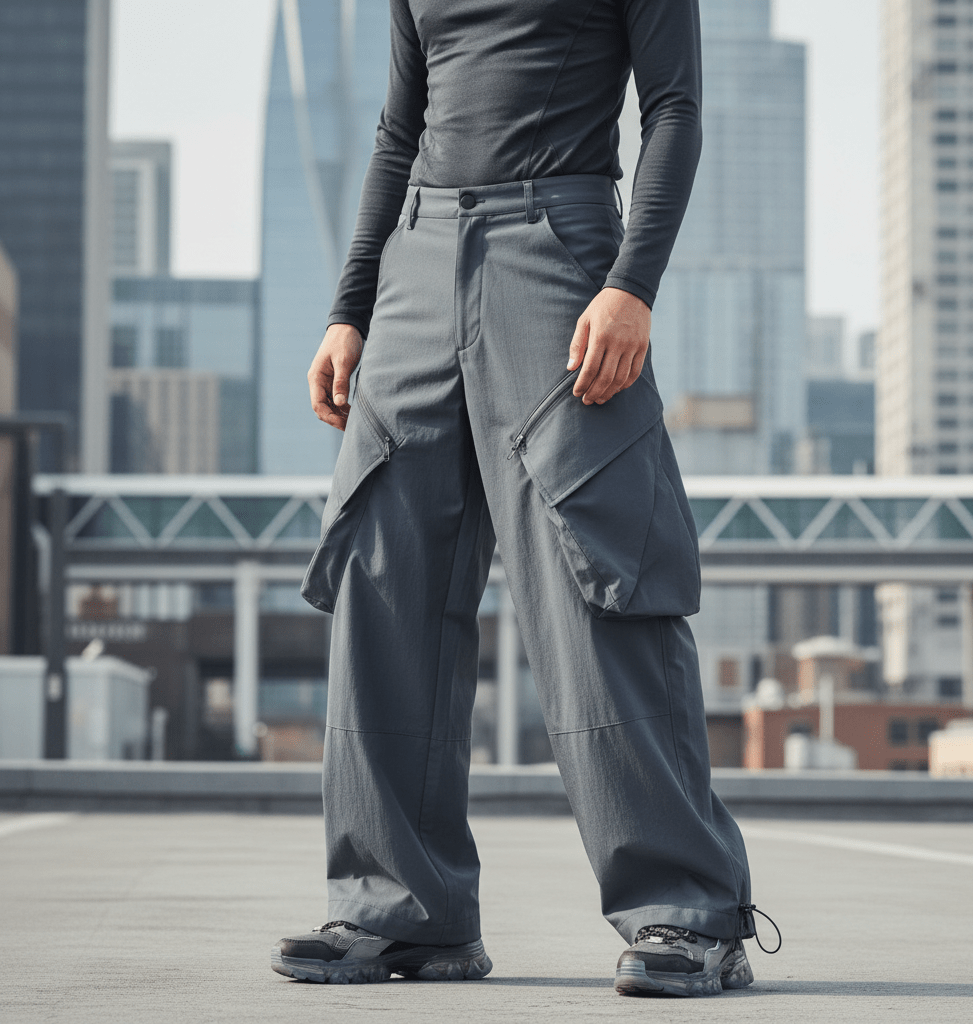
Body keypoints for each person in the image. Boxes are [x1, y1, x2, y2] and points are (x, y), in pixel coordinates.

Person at [271, 0, 760, 998]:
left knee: (599, 568)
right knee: (381, 570)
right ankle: (402, 910)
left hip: (560, 245)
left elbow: (673, 108)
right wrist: (349, 306)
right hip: (414, 258)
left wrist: (633, 282)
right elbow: (397, 127)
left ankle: (688, 912)